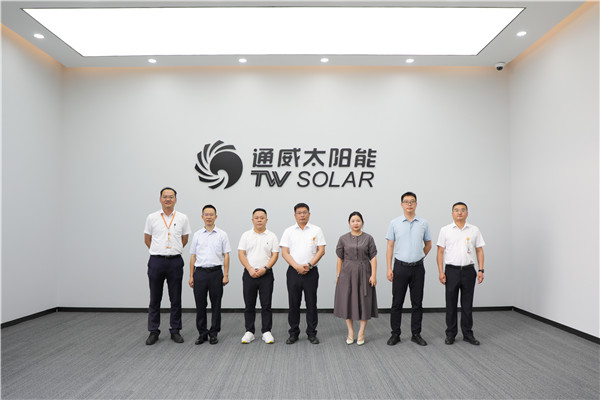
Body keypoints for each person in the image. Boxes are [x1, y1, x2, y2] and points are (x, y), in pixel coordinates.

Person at [143, 187, 192, 345]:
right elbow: (147, 239)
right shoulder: (152, 217)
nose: (168, 199)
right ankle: (153, 331)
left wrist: (173, 250)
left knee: (175, 298)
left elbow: (185, 239)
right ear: (160, 199)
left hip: (175, 261)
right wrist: (159, 251)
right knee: (154, 298)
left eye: (171, 197)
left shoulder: (183, 217)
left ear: (175, 200)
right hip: (156, 261)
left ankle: (175, 330)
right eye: (165, 197)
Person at [386, 191, 432, 346]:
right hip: (400, 267)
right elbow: (390, 246)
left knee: (417, 303)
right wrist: (389, 268)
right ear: (402, 204)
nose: (409, 204)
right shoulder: (394, 223)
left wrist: (419, 256)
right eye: (406, 201)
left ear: (416, 204)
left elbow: (428, 244)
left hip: (418, 268)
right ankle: (395, 334)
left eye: (412, 201)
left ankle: (416, 334)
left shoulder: (423, 223)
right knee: (397, 303)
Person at [436, 202, 486, 345]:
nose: (459, 213)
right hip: (451, 271)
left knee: (467, 304)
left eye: (463, 210)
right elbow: (440, 252)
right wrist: (441, 271)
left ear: (467, 213)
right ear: (452, 213)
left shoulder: (474, 230)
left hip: (469, 271)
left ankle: (468, 334)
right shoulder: (445, 230)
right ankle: (450, 334)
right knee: (450, 304)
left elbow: (479, 250)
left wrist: (481, 269)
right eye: (456, 210)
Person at [280, 203, 326, 344]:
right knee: (293, 303)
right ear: (295, 215)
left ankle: (312, 333)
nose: (302, 215)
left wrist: (309, 265)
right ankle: (293, 333)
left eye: (305, 212)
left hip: (311, 271)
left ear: (309, 214)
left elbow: (321, 250)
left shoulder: (316, 230)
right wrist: (297, 267)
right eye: (299, 213)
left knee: (311, 303)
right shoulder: (288, 231)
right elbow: (284, 252)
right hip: (293, 272)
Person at [333, 211, 378, 345]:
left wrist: (373, 275)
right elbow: (339, 259)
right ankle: (351, 332)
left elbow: (373, 258)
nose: (355, 223)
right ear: (349, 223)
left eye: (358, 220)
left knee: (365, 302)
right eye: (353, 221)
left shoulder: (368, 238)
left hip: (364, 272)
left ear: (362, 222)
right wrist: (338, 275)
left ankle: (361, 332)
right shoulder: (343, 238)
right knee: (347, 302)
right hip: (347, 273)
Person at [188, 205, 231, 345]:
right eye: (206, 214)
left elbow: (226, 255)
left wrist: (226, 274)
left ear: (216, 217)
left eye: (211, 214)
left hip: (216, 273)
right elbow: (193, 256)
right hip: (200, 273)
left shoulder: (222, 234)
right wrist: (191, 276)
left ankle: (213, 333)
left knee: (216, 304)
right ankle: (202, 333)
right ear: (202, 217)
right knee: (200, 304)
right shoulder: (197, 235)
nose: (209, 217)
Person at [238, 208, 280, 344]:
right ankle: (249, 332)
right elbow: (241, 254)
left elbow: (275, 255)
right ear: (252, 220)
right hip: (249, 273)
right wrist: (250, 269)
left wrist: (265, 269)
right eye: (256, 218)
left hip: (266, 274)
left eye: (262, 218)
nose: (259, 220)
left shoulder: (272, 236)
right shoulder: (246, 235)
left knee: (266, 304)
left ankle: (266, 331)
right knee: (249, 304)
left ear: (266, 220)